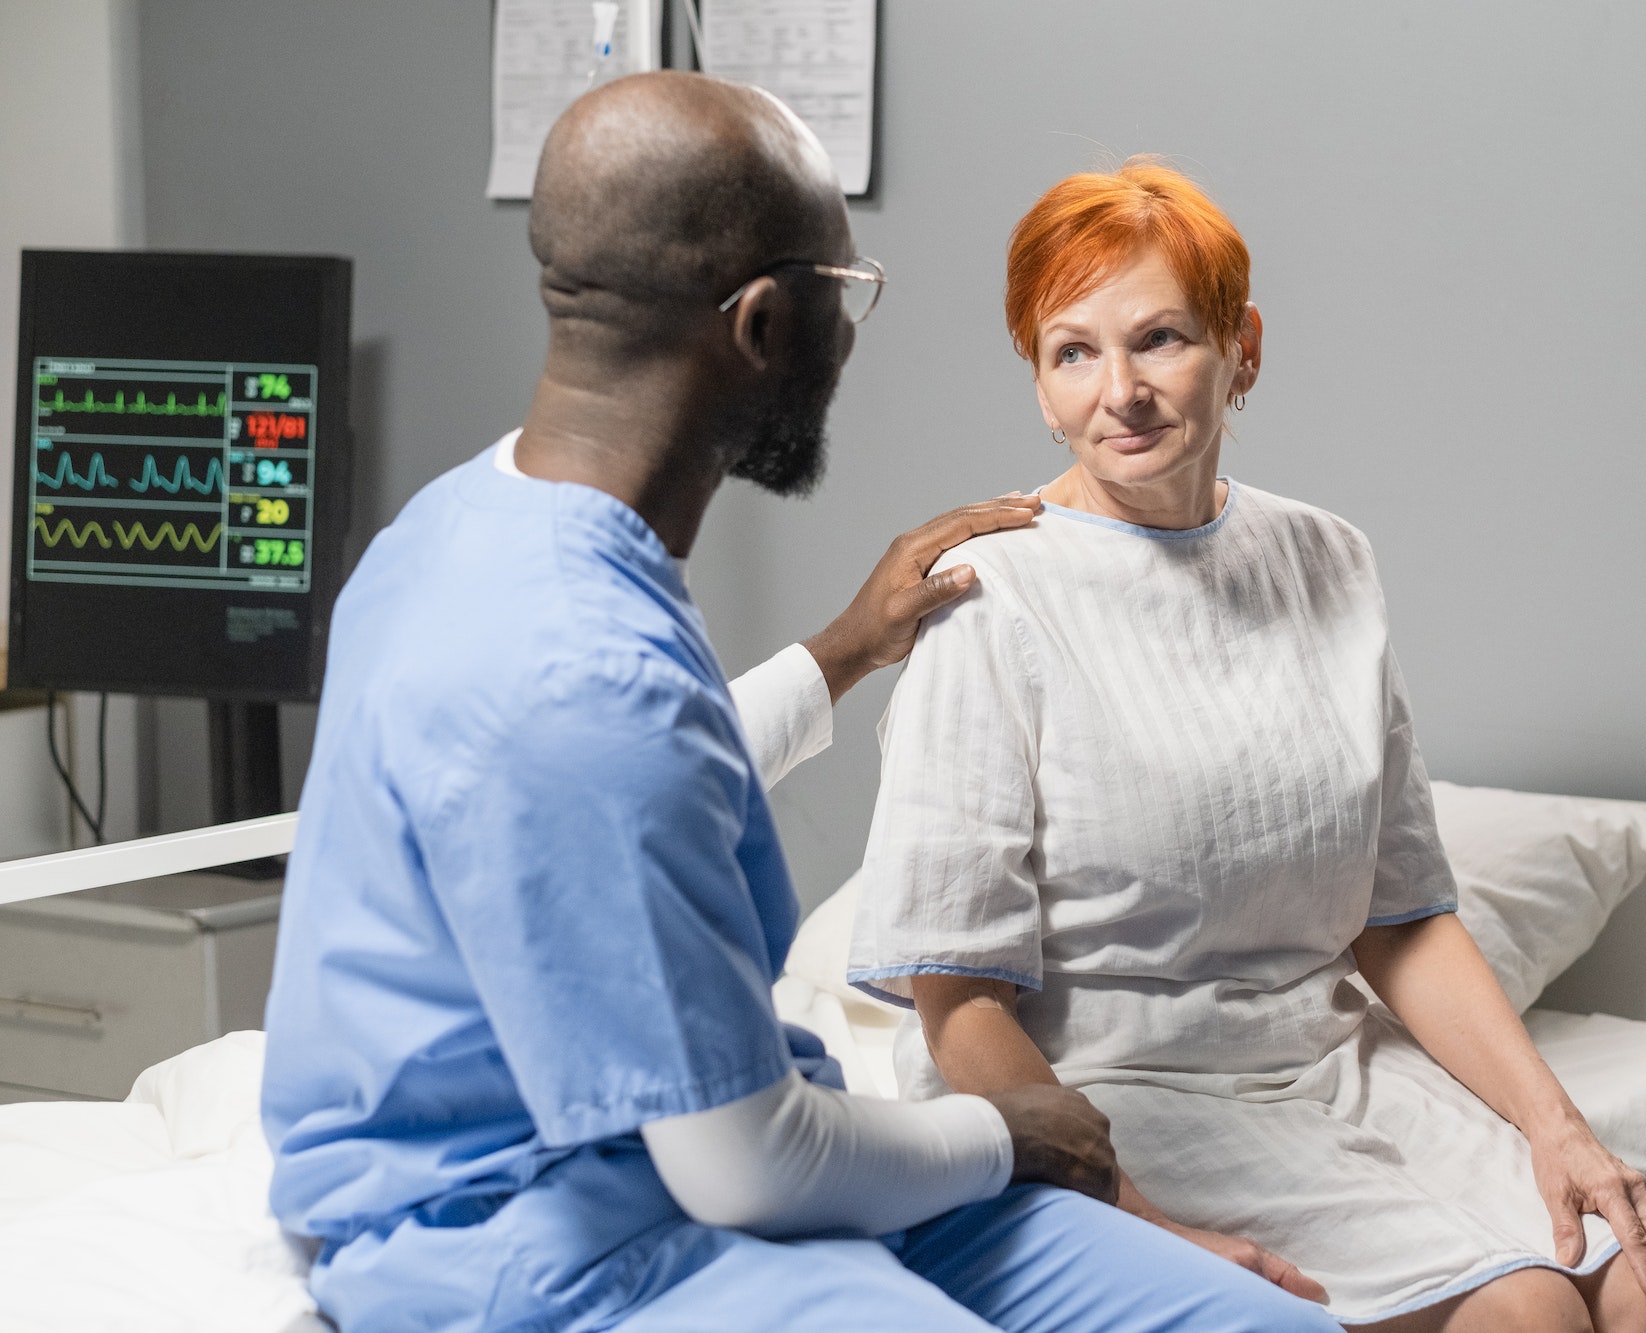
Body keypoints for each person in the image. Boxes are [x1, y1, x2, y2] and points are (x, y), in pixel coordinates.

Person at [260, 76, 1341, 1333]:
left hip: (723, 1155)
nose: (851, 331)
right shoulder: (578, 674)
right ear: (764, 323)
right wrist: (1012, 1128)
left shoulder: (471, 526)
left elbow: (619, 795)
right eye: (845, 289)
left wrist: (840, 650)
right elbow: (746, 1163)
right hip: (551, 1226)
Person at [847, 159, 1646, 1333]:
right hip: (1113, 1089)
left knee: (1639, 1283)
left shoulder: (1325, 559)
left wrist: (1561, 1130)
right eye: (1072, 352)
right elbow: (956, 1005)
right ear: (1038, 385)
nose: (1119, 392)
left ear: (1239, 348)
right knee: (1528, 1312)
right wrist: (1134, 1220)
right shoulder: (991, 595)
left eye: (1158, 339)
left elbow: (1398, 918)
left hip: (1328, 1060)